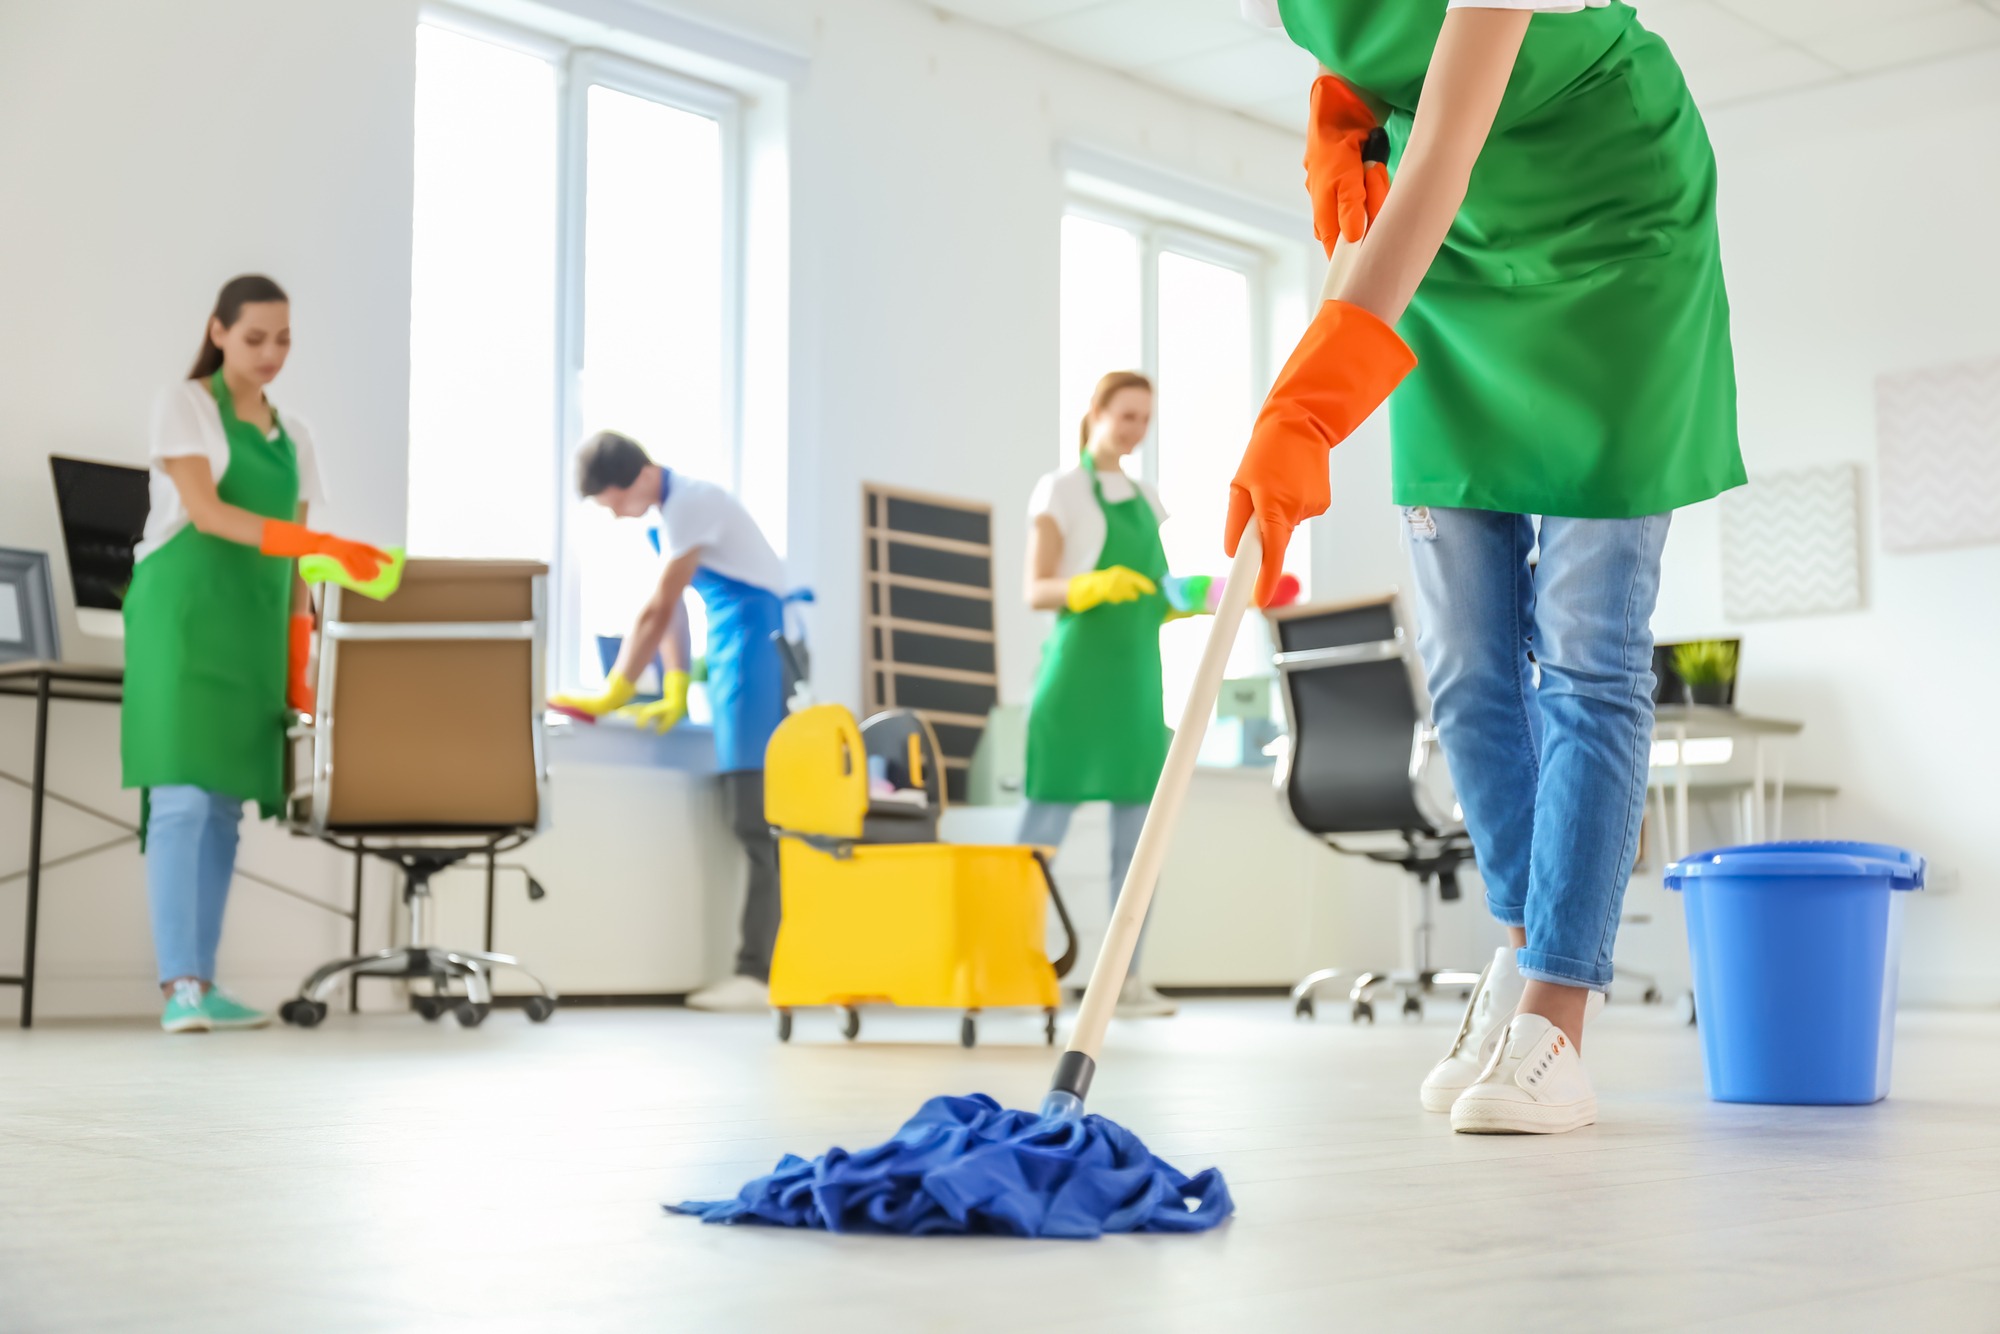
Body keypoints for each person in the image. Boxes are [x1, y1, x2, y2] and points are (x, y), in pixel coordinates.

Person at [1228, 1, 1743, 1132]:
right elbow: (1374, 63)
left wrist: (1308, 410)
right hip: (1452, 260)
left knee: (1584, 647)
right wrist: (1342, 111)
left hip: (1613, 236)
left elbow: (1446, 146)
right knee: (1462, 655)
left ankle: (1555, 1017)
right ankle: (1515, 965)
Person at [124, 274, 388, 1033]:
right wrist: (319, 542)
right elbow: (205, 513)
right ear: (218, 332)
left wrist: (300, 662)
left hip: (255, 627)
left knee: (226, 808)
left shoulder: (294, 434)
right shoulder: (185, 405)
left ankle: (203, 983)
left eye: (284, 340)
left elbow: (299, 571)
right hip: (183, 620)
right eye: (254, 338)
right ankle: (178, 988)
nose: (271, 353)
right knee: (179, 799)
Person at [553, 431, 789, 1013]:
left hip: (756, 653)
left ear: (635, 480)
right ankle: (757, 969)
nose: (612, 514)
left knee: (758, 823)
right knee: (748, 817)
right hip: (735, 650)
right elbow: (680, 608)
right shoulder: (671, 512)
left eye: (611, 502)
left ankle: (758, 973)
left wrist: (618, 689)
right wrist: (676, 686)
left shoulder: (692, 503)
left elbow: (659, 605)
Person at [1021, 371, 1189, 1020]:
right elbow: (1035, 588)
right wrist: (1089, 586)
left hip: (1138, 684)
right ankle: (1008, 963)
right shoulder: (1060, 490)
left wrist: (1207, 595)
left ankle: (1126, 979)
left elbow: (1163, 592)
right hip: (1075, 684)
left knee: (1137, 843)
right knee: (1036, 840)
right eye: (1125, 416)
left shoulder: (1148, 499)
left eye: (1144, 419)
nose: (1134, 430)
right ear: (1094, 413)